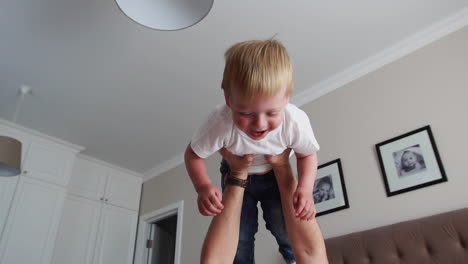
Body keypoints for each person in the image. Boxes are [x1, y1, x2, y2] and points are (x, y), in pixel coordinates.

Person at [185, 39, 320, 263]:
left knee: (284, 226)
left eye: (271, 113)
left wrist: (305, 189)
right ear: (229, 101)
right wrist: (203, 186)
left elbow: (307, 154)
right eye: (246, 114)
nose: (259, 124)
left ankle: (292, 259)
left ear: (286, 99)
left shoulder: (295, 120)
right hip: (235, 177)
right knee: (241, 235)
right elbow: (193, 155)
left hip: (275, 179)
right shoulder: (220, 122)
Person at [201, 148, 328, 264]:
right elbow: (311, 254)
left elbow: (215, 260)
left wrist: (237, 173)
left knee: (245, 236)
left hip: (240, 166)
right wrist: (302, 186)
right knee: (278, 230)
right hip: (271, 162)